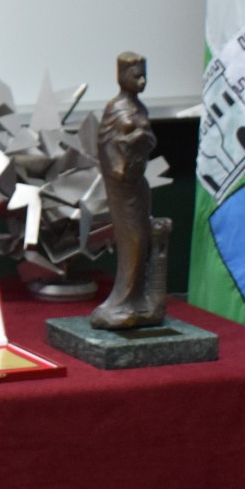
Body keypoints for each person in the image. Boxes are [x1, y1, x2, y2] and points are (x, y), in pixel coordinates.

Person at [90, 52, 163, 329]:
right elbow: (106, 144)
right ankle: (121, 301)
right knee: (131, 238)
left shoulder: (140, 108)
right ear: (121, 76)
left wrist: (142, 138)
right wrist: (129, 147)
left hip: (138, 182)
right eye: (136, 76)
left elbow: (150, 139)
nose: (142, 81)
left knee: (142, 238)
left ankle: (137, 299)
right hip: (122, 185)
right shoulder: (115, 108)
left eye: (144, 76)